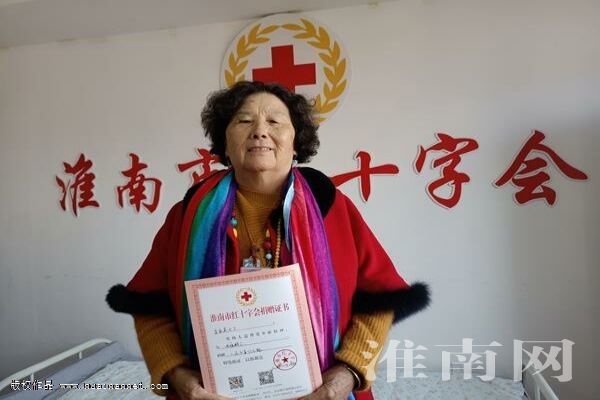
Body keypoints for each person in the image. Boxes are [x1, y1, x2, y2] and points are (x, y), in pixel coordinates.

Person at [107, 81, 429, 400]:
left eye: (275, 121)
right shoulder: (188, 215)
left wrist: (348, 374)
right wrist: (177, 376)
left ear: (296, 142)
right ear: (225, 143)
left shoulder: (332, 208)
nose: (260, 131)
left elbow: (380, 304)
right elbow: (150, 309)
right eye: (245, 120)